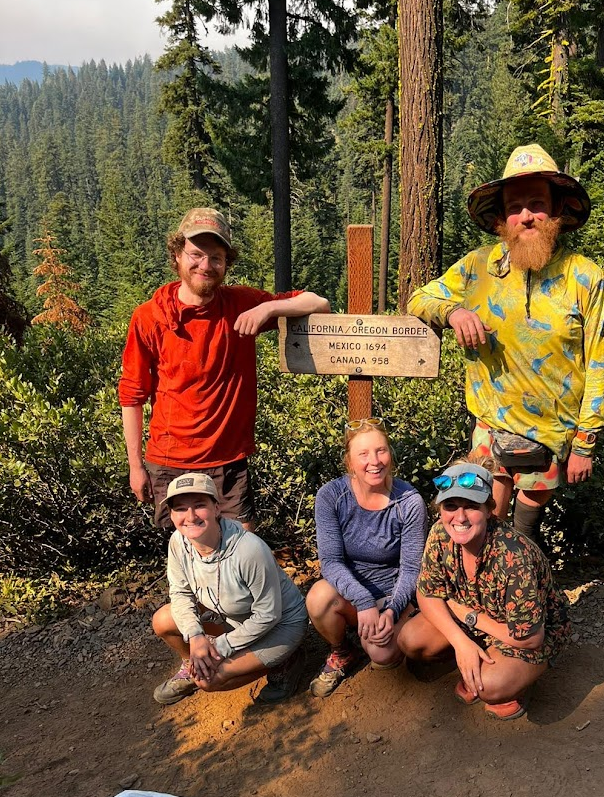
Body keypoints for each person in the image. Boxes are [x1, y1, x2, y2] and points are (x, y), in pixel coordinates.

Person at [407, 144, 604, 546]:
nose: (527, 215)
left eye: (537, 204)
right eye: (515, 207)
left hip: (553, 433)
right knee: (488, 521)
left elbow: (598, 364)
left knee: (525, 530)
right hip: (491, 424)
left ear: (557, 212)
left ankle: (527, 596)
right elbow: (418, 299)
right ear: (501, 218)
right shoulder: (477, 266)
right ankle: (490, 596)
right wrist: (454, 313)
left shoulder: (586, 277)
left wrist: (586, 442)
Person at [119, 207, 330, 530]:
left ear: (226, 264)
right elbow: (132, 396)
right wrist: (136, 467)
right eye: (196, 254)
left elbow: (318, 303)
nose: (205, 265)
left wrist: (269, 307)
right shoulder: (150, 317)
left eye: (216, 258)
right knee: (186, 556)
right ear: (177, 255)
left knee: (239, 552)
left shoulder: (242, 304)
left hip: (228, 462)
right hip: (169, 461)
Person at [398, 460, 571, 720]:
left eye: (471, 506)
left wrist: (467, 615)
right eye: (451, 506)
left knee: (488, 685)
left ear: (490, 509)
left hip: (528, 630)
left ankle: (520, 679)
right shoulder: (440, 534)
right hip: (476, 614)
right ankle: (479, 654)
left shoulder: (513, 555)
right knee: (410, 640)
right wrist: (461, 642)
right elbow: (427, 592)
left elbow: (530, 637)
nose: (459, 517)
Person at [151, 473, 308, 706]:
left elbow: (268, 615)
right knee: (163, 619)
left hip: (280, 625)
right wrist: (195, 638)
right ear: (172, 515)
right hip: (233, 617)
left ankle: (286, 662)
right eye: (180, 509)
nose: (190, 516)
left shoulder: (249, 550)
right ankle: (193, 663)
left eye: (199, 505)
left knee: (209, 681)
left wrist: (220, 646)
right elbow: (180, 593)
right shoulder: (178, 542)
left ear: (216, 508)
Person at [306, 418, 428, 697]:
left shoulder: (409, 502)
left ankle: (387, 629)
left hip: (391, 592)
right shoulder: (332, 496)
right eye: (363, 454)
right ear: (349, 462)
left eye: (381, 451)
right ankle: (342, 651)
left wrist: (392, 609)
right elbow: (331, 561)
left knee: (382, 655)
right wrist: (362, 602)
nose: (374, 461)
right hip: (351, 594)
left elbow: (411, 568)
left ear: (391, 454)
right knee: (318, 598)